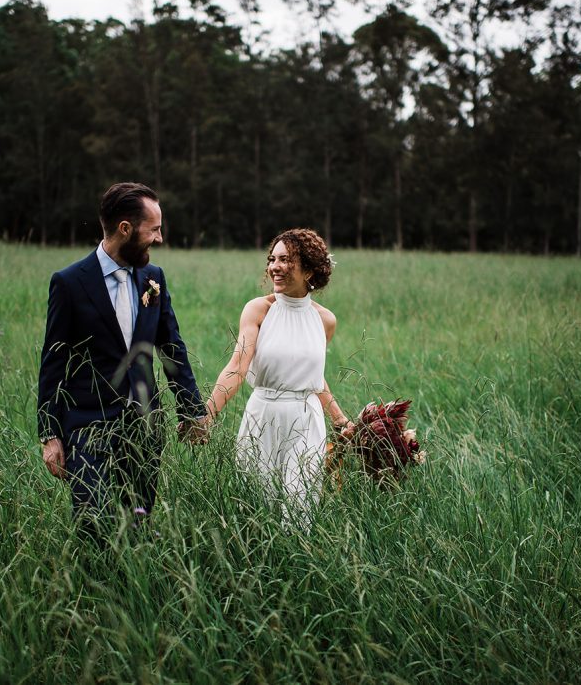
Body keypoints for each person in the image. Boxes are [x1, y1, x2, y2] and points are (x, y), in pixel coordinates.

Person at [37, 182, 206, 541]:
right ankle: (94, 591)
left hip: (145, 425)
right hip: (88, 425)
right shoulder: (69, 283)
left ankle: (136, 587)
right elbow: (54, 359)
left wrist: (191, 410)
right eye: (154, 230)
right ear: (125, 229)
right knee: (92, 523)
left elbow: (171, 347)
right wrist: (49, 433)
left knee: (138, 520)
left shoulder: (153, 279)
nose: (159, 239)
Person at [198, 228, 353, 523]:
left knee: (299, 509)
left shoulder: (325, 320)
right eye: (273, 259)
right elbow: (237, 366)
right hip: (263, 414)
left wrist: (340, 419)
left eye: (286, 260)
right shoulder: (258, 310)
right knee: (257, 508)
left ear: (308, 269)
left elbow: (313, 378)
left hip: (307, 422)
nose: (275, 267)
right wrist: (207, 415)